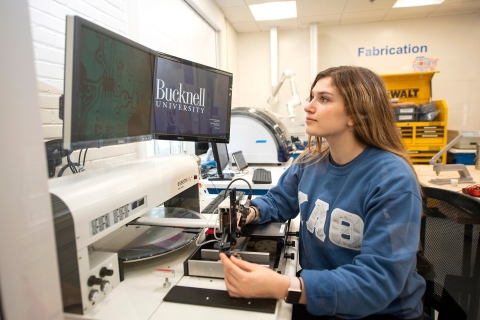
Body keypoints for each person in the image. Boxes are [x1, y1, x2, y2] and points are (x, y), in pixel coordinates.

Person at [219, 66, 426, 320]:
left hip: (379, 311)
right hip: (323, 299)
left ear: (355, 115)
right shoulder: (310, 162)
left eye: (324, 99)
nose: (308, 106)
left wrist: (282, 286)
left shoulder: (392, 179)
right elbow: (280, 199)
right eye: (312, 97)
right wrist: (251, 211)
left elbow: (378, 281)